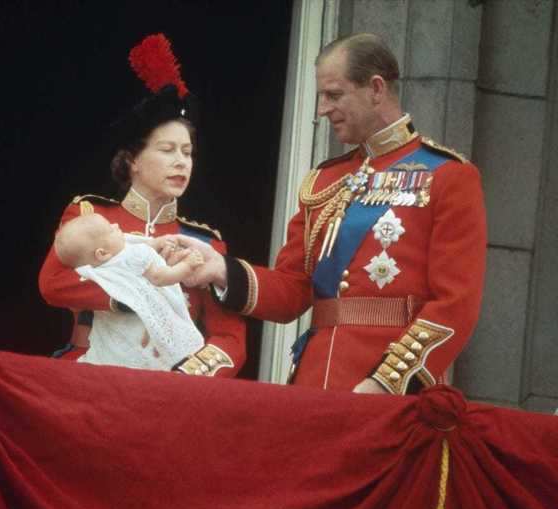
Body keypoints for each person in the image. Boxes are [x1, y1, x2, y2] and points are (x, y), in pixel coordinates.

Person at [168, 33, 487, 395]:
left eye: (334, 95)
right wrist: (220, 270)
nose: (321, 109)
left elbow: (455, 305)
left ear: (376, 89)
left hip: (390, 393)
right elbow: (292, 292)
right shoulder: (325, 179)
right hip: (313, 383)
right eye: (321, 96)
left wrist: (387, 382)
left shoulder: (448, 176)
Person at [39, 34, 246, 378]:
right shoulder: (90, 215)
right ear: (133, 160)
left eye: (187, 152)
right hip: (89, 374)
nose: (181, 162)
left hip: (170, 388)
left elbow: (229, 337)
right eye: (167, 150)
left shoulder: (205, 242)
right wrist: (129, 296)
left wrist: (186, 377)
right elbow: (53, 283)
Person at [53, 212, 207, 371]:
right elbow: (160, 278)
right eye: (110, 229)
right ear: (102, 253)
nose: (116, 225)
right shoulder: (137, 254)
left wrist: (157, 243)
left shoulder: (89, 270)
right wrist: (188, 266)